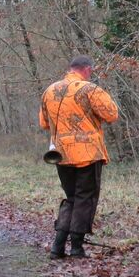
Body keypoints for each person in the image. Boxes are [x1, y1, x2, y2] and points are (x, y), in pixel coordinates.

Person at [39, 55, 119, 259]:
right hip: (88, 154)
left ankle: (57, 247)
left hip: (60, 154)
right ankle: (76, 247)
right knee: (85, 198)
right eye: (91, 71)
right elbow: (112, 114)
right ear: (87, 70)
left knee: (71, 198)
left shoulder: (50, 91)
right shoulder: (89, 89)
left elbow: (44, 123)